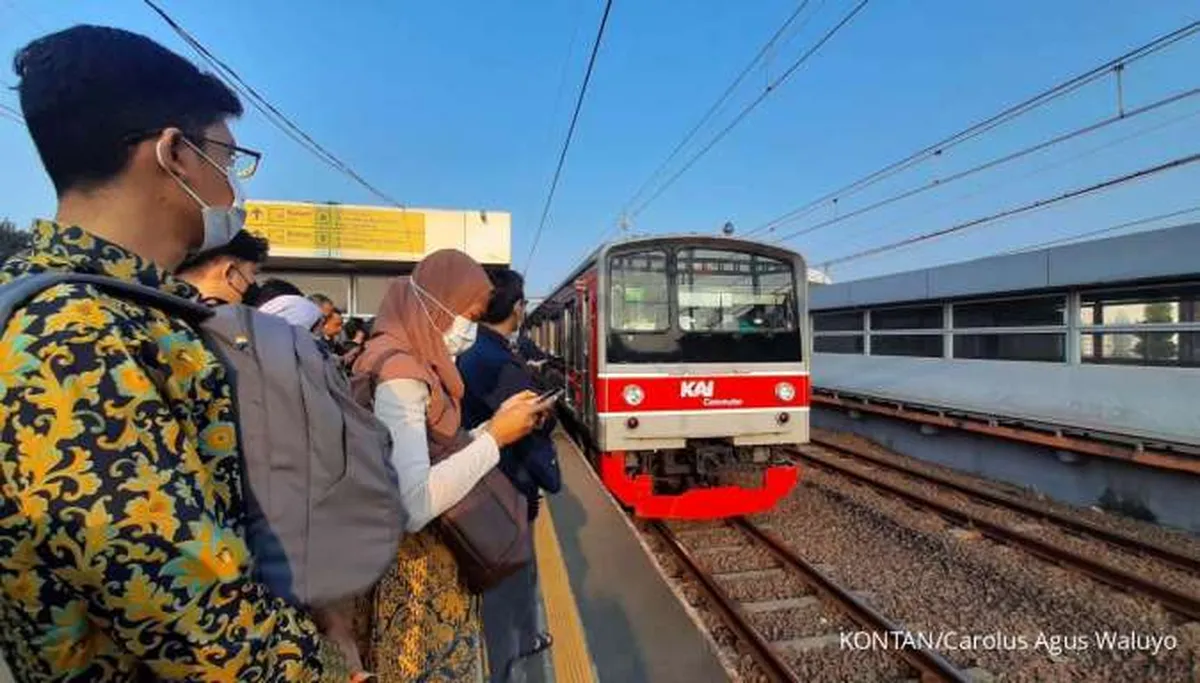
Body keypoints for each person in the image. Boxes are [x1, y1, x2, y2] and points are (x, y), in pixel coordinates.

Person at [0, 25, 356, 681]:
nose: (232, 187)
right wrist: (328, 667)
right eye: (227, 157)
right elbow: (192, 613)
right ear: (173, 154)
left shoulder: (128, 312)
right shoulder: (72, 335)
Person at [353, 250, 549, 682]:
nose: (468, 329)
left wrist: (493, 429)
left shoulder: (398, 357)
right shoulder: (401, 376)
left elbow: (434, 454)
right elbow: (414, 503)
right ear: (435, 302)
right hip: (415, 583)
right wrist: (496, 437)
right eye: (469, 314)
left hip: (414, 568)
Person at [457, 269, 560, 682]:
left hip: (483, 480)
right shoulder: (502, 362)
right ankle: (512, 657)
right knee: (515, 572)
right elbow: (527, 428)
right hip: (509, 483)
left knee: (507, 572)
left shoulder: (472, 350)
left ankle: (518, 644)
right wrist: (546, 415)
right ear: (517, 309)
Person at [175, 228, 269, 305]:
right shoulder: (214, 324)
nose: (253, 282)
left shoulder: (165, 310)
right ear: (229, 271)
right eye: (252, 272)